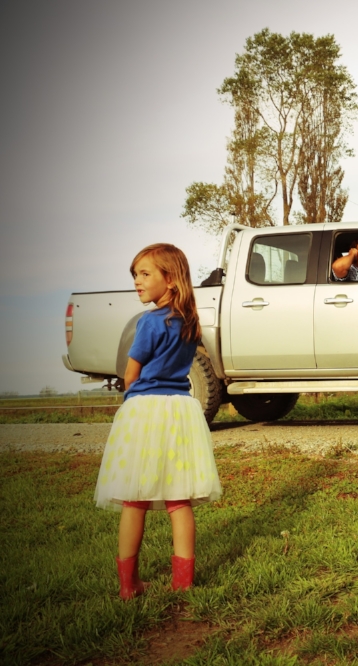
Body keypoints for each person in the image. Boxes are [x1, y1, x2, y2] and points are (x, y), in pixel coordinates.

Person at [94, 243, 223, 599]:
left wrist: (131, 391)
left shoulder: (149, 322)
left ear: (170, 280)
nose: (137, 281)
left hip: (145, 410)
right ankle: (183, 583)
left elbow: (130, 375)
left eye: (145, 274)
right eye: (135, 274)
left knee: (134, 499)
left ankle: (128, 584)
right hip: (180, 409)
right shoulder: (190, 321)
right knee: (178, 499)